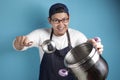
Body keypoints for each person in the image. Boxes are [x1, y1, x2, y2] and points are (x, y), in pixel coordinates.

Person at [13, 3, 103, 80]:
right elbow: (20, 45)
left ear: (69, 18)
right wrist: (19, 43)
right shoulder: (41, 34)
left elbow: (88, 55)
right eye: (56, 20)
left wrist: (94, 50)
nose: (61, 25)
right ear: (49, 20)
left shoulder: (77, 36)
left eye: (64, 20)